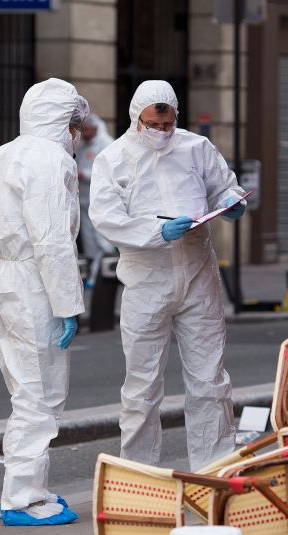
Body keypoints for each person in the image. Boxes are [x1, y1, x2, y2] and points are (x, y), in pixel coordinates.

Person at [89, 80, 246, 471]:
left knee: (210, 382)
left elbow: (225, 187)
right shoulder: (114, 159)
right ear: (135, 118)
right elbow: (106, 218)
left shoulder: (196, 148)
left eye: (167, 124)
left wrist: (229, 202)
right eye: (152, 124)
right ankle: (140, 478)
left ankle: (215, 472)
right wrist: (156, 233)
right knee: (142, 388)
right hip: (146, 280)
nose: (160, 132)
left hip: (198, 275)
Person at [0, 78, 89, 526]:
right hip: (32, 281)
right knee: (39, 395)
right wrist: (68, 305)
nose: (77, 133)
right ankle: (22, 497)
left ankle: (30, 485)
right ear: (63, 122)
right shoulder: (50, 159)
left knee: (23, 386)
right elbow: (52, 240)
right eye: (74, 123)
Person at [76, 113, 115, 285]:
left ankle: (104, 275)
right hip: (85, 201)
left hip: (100, 202)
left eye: (87, 130)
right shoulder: (85, 146)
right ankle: (92, 276)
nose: (84, 133)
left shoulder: (106, 144)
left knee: (102, 240)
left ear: (95, 128)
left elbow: (109, 174)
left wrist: (83, 174)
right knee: (89, 240)